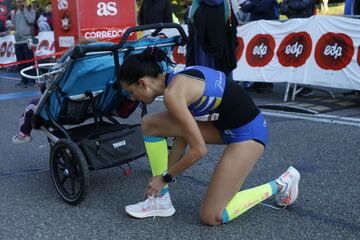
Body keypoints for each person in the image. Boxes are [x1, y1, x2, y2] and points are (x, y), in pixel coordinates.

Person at [118, 47, 300, 225]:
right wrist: (162, 184)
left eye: (131, 92)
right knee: (151, 123)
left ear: (142, 83)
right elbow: (182, 137)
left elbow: (198, 150)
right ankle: (160, 201)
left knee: (212, 216)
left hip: (248, 133)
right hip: (222, 127)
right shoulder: (176, 80)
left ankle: (283, 183)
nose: (133, 98)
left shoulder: (173, 95)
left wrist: (164, 178)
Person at [186, 0, 238, 78]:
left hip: (201, 45)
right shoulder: (226, 3)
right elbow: (231, 23)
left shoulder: (197, 4)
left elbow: (192, 19)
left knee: (203, 74)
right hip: (222, 46)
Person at [240, 0, 279, 93]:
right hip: (255, 30)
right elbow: (244, 8)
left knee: (267, 56)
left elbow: (263, 7)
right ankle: (258, 82)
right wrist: (253, 5)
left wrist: (251, 5)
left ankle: (268, 84)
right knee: (256, 56)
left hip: (267, 30)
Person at [12, 0, 36, 87]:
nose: (19, 3)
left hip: (28, 40)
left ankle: (32, 80)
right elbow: (14, 25)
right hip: (18, 41)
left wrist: (25, 9)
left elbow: (31, 20)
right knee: (21, 62)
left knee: (30, 61)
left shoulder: (31, 10)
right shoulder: (16, 12)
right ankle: (23, 80)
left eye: (21, 1)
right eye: (18, 2)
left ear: (25, 2)